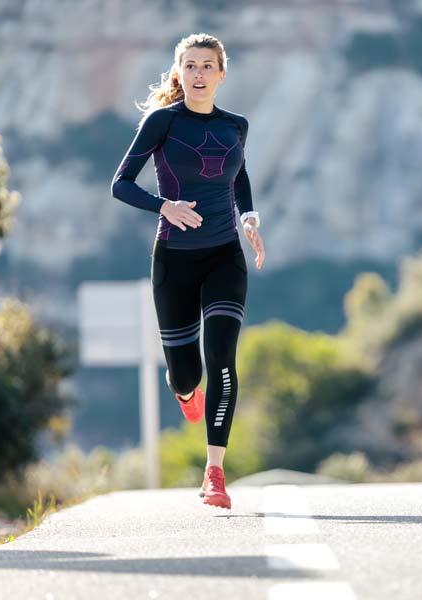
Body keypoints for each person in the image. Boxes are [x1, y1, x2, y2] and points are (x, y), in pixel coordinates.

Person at [111, 33, 265, 510]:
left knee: (222, 360)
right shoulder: (163, 121)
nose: (198, 74)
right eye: (190, 66)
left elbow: (237, 175)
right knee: (186, 373)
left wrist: (248, 217)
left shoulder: (235, 125)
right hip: (174, 260)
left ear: (222, 73)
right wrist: (165, 206)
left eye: (207, 66)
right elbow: (121, 184)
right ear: (179, 72)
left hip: (225, 256)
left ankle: (215, 473)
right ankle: (183, 390)